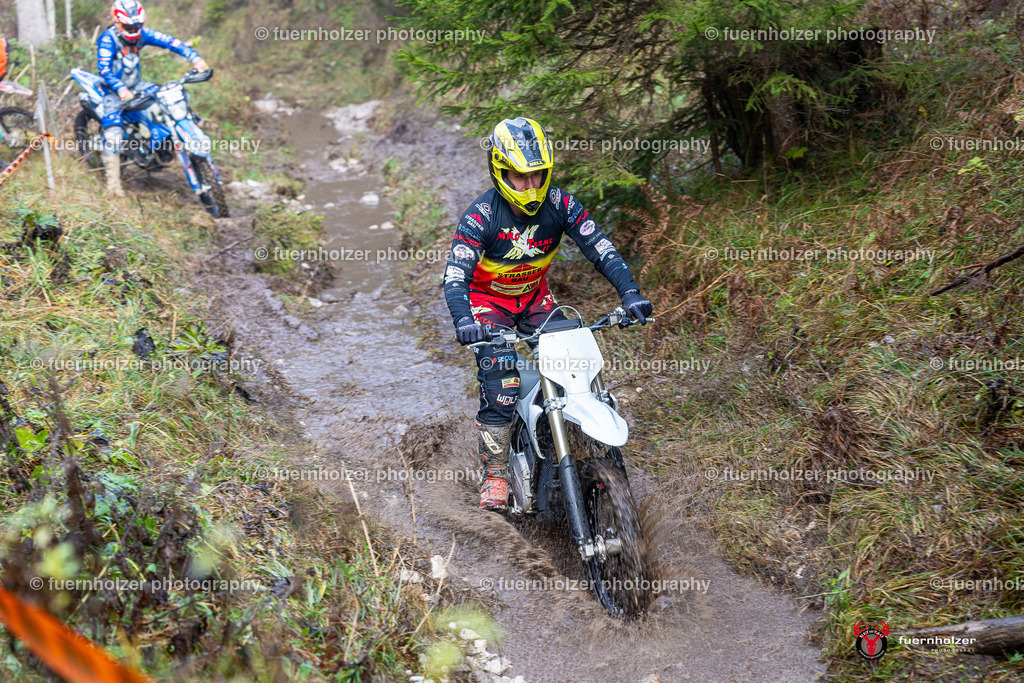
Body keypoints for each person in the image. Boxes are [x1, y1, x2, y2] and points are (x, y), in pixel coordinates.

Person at [443, 116, 653, 511]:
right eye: (520, 177)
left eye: (538, 176)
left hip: (535, 298)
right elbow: (455, 276)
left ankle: (575, 441)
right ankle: (495, 473)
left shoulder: (560, 204)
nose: (531, 186)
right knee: (501, 382)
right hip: (487, 305)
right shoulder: (481, 216)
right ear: (500, 172)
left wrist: (630, 294)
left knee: (575, 366)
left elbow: (600, 247)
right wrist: (464, 322)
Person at [95, 0, 209, 196]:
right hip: (113, 92)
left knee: (170, 99)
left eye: (137, 25)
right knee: (113, 135)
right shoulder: (108, 40)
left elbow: (170, 42)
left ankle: (171, 139)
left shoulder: (142, 34)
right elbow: (104, 68)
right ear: (117, 21)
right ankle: (113, 186)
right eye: (129, 26)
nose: (134, 29)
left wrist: (194, 58)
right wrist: (120, 88)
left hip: (138, 85)